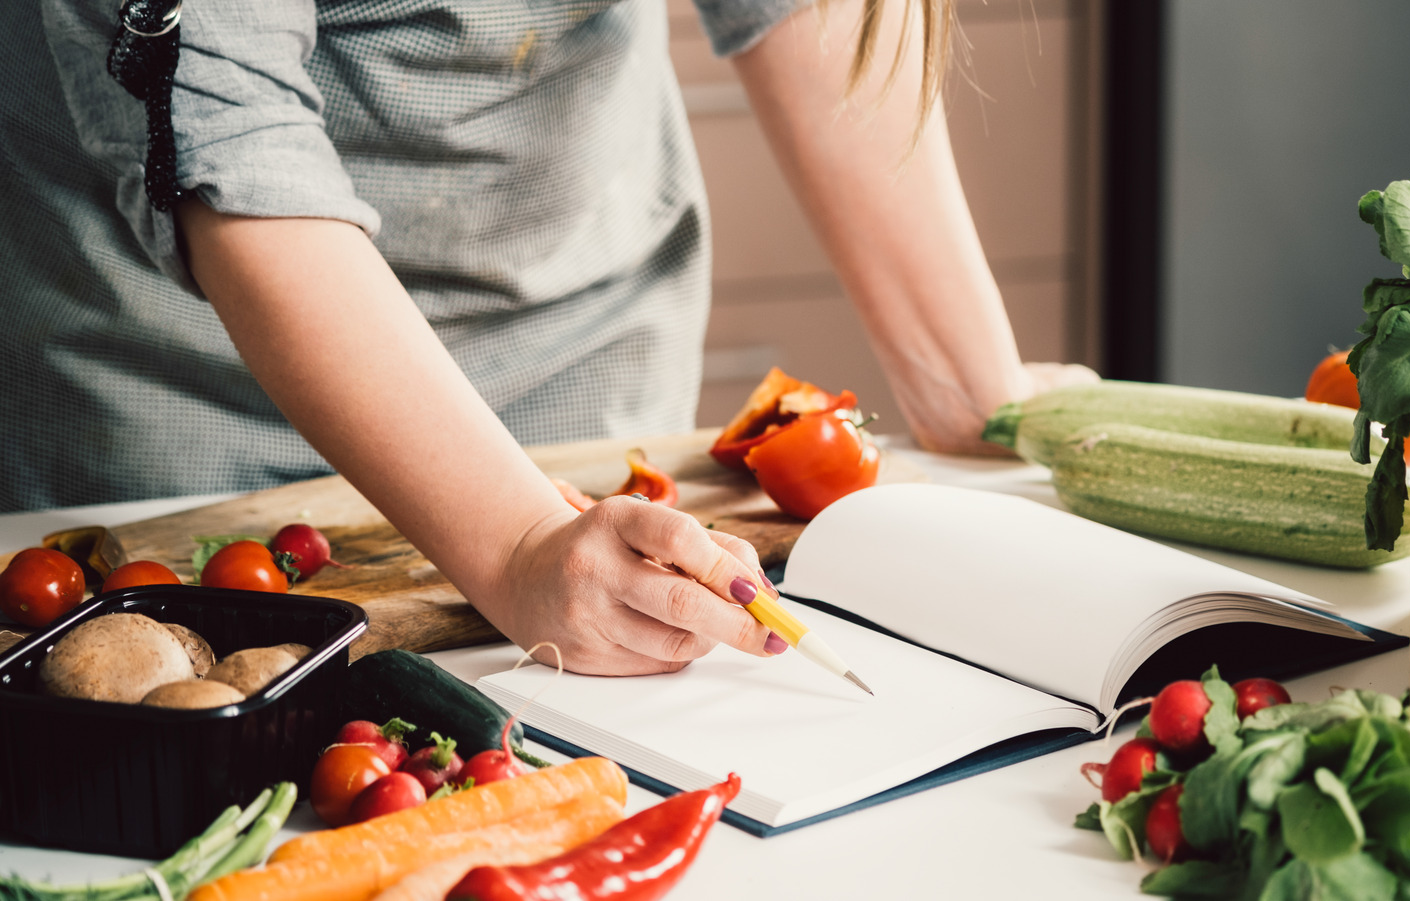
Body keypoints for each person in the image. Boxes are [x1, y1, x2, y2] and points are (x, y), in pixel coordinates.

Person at [3, 0, 1095, 675]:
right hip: (184, 415)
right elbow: (235, 144)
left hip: (589, 374)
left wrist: (967, 382)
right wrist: (519, 545)